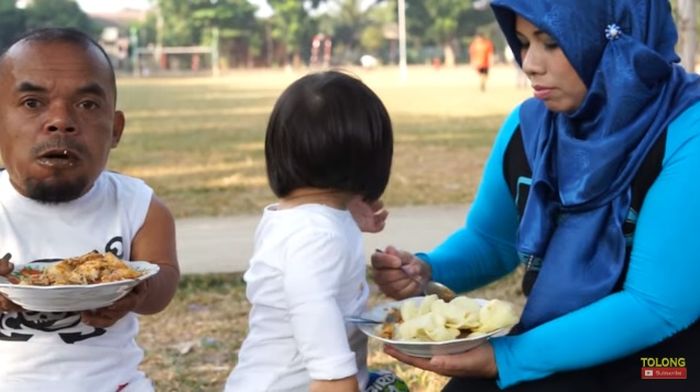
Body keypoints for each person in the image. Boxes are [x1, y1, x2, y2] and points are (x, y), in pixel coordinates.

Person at [372, 0, 700, 391]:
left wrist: (509, 357)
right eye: (524, 42)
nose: (529, 63)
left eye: (552, 43)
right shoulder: (528, 128)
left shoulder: (687, 132)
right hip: (549, 341)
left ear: (619, 39)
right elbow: (492, 241)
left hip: (666, 357)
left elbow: (657, 306)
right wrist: (428, 270)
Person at [0, 28, 180, 391]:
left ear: (115, 130)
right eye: (33, 102)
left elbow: (165, 280)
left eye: (87, 104)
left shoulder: (138, 206)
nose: (60, 121)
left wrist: (139, 291)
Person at [226, 71, 405, 391]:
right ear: (371, 160)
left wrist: (347, 215)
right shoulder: (317, 238)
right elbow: (313, 308)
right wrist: (336, 380)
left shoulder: (293, 219)